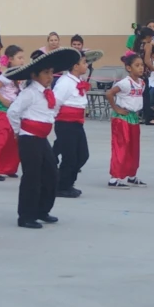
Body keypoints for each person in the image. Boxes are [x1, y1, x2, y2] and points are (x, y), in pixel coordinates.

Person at [6, 48, 81, 229]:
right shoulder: (29, 93)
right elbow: (13, 112)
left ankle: (42, 210)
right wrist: (17, 131)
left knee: (51, 174)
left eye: (51, 73)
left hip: (41, 138)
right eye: (46, 73)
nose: (50, 76)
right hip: (29, 138)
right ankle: (25, 216)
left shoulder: (49, 92)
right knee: (32, 177)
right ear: (35, 75)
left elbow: (51, 111)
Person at [52, 50, 93, 199]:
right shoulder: (65, 82)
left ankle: (68, 182)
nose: (86, 65)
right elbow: (56, 102)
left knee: (82, 155)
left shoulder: (77, 81)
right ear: (75, 66)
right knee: (70, 157)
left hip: (77, 124)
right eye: (83, 62)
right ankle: (62, 186)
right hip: (65, 123)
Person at [105, 54, 147, 189]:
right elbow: (109, 93)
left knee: (134, 147)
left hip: (133, 117)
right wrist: (116, 108)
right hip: (122, 117)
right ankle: (114, 178)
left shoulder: (142, 83)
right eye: (137, 65)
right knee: (121, 146)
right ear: (129, 68)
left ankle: (131, 175)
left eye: (142, 65)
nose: (141, 68)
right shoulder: (125, 83)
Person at [0, 46, 26, 181]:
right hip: (1, 110)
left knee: (13, 139)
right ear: (10, 59)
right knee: (0, 138)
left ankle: (7, 167)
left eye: (23, 58)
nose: (22, 61)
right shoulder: (6, 75)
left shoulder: (20, 75)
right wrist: (3, 100)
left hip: (14, 111)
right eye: (19, 58)